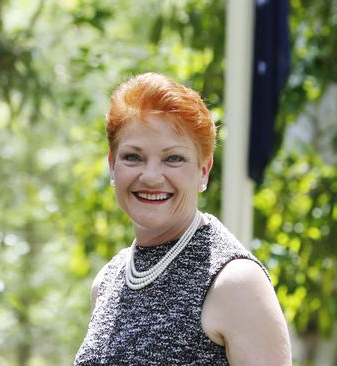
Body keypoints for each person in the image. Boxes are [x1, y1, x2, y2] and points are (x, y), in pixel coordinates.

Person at [74, 73, 291, 365]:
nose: (150, 176)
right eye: (133, 157)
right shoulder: (107, 282)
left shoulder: (234, 282)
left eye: (173, 158)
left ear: (203, 170)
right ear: (113, 166)